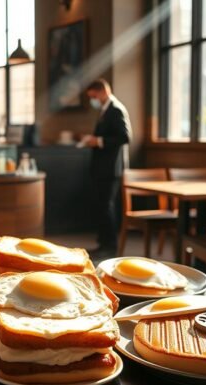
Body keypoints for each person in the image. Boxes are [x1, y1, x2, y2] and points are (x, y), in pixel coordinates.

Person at [82, 79, 132, 258]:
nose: (92, 100)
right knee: (101, 206)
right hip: (101, 167)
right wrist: (93, 140)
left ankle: (110, 247)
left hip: (111, 168)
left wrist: (99, 141)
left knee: (106, 206)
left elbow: (125, 137)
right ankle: (103, 243)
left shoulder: (116, 109)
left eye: (93, 96)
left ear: (102, 91)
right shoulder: (104, 110)